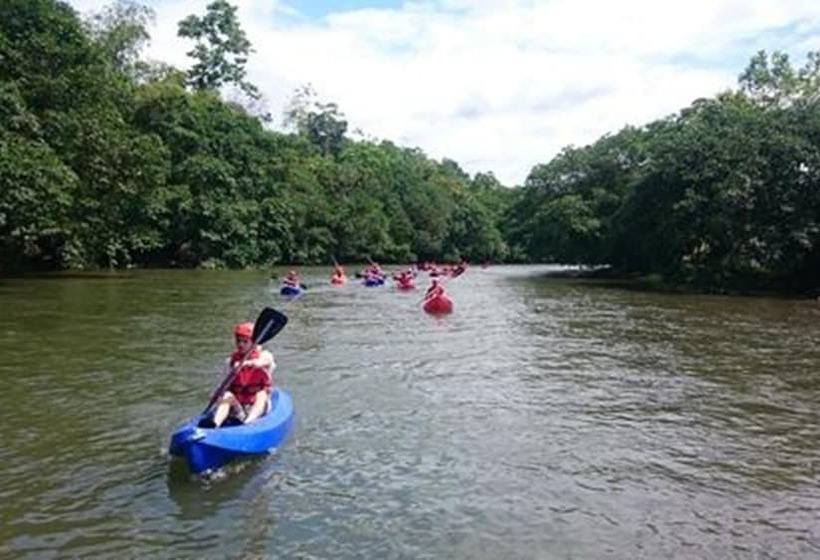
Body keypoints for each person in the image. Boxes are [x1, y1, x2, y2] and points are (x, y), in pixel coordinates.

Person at [211, 322, 275, 428]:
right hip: (238, 406)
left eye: (245, 342)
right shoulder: (231, 361)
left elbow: (262, 362)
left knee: (262, 394)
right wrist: (216, 394)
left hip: (256, 406)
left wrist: (245, 363)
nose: (241, 344)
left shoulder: (265, 356)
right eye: (238, 341)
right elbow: (223, 384)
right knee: (227, 395)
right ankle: (214, 425)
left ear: (254, 342)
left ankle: (248, 423)